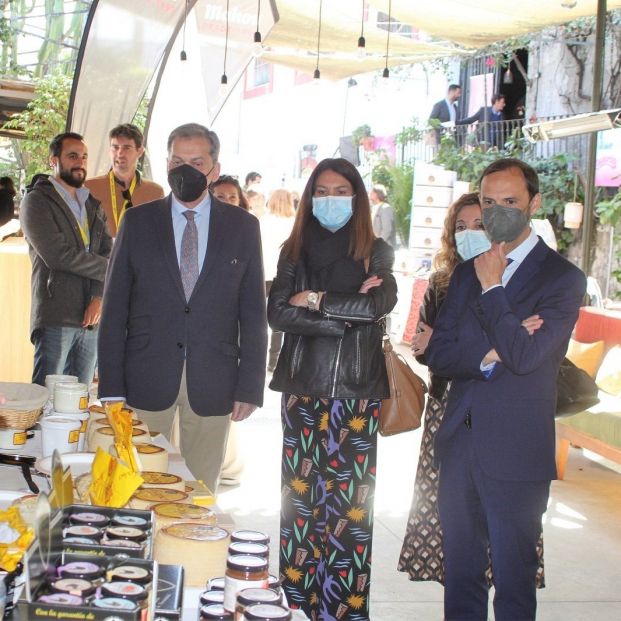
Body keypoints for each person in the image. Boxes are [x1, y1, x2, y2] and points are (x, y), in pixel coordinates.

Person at [426, 158, 586, 620]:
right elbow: (440, 355)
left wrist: (494, 289)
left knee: (515, 582)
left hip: (516, 452)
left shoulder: (561, 279)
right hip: (459, 442)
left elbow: (526, 357)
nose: (498, 212)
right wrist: (490, 352)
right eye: (489, 202)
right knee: (460, 576)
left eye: (510, 202)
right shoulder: (463, 272)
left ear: (534, 203)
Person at [97, 123, 267, 492]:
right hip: (145, 375)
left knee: (201, 491)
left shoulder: (243, 227)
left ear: (214, 169)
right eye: (176, 160)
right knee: (138, 486)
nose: (184, 169)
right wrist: (111, 386)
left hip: (214, 378)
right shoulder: (138, 221)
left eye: (196, 161)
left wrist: (250, 385)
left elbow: (253, 313)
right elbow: (114, 309)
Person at [268, 158, 397, 621]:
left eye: (340, 190)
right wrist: (346, 317)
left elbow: (381, 304)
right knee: (300, 506)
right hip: (303, 389)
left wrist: (318, 301)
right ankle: (297, 606)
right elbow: (277, 313)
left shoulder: (377, 250)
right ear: (309, 198)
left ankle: (342, 611)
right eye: (321, 191)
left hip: (357, 392)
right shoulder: (294, 250)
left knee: (351, 509)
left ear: (358, 197)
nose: (330, 199)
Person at [397, 192, 545, 589]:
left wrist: (466, 349)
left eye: (478, 225)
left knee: (507, 531)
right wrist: (487, 350)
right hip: (447, 407)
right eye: (460, 228)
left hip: (505, 416)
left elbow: (523, 350)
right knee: (453, 522)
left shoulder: (520, 279)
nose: (469, 234)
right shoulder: (444, 283)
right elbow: (428, 351)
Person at [20, 132, 112, 387]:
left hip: (92, 318)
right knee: (46, 399)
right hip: (55, 314)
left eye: (83, 157)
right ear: (53, 160)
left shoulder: (92, 203)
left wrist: (98, 296)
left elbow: (107, 250)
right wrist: (111, 268)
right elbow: (57, 255)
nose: (80, 162)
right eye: (72, 156)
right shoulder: (36, 201)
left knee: (79, 399)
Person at [85, 123, 164, 237]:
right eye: (115, 147)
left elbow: (158, 235)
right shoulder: (89, 187)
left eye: (126, 148)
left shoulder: (155, 192)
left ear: (140, 151)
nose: (120, 153)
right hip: (100, 254)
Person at [261, 188, 296, 372]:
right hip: (283, 275)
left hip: (262, 274)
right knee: (278, 320)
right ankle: (274, 361)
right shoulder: (294, 223)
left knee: (259, 319)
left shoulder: (263, 221)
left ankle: (258, 358)